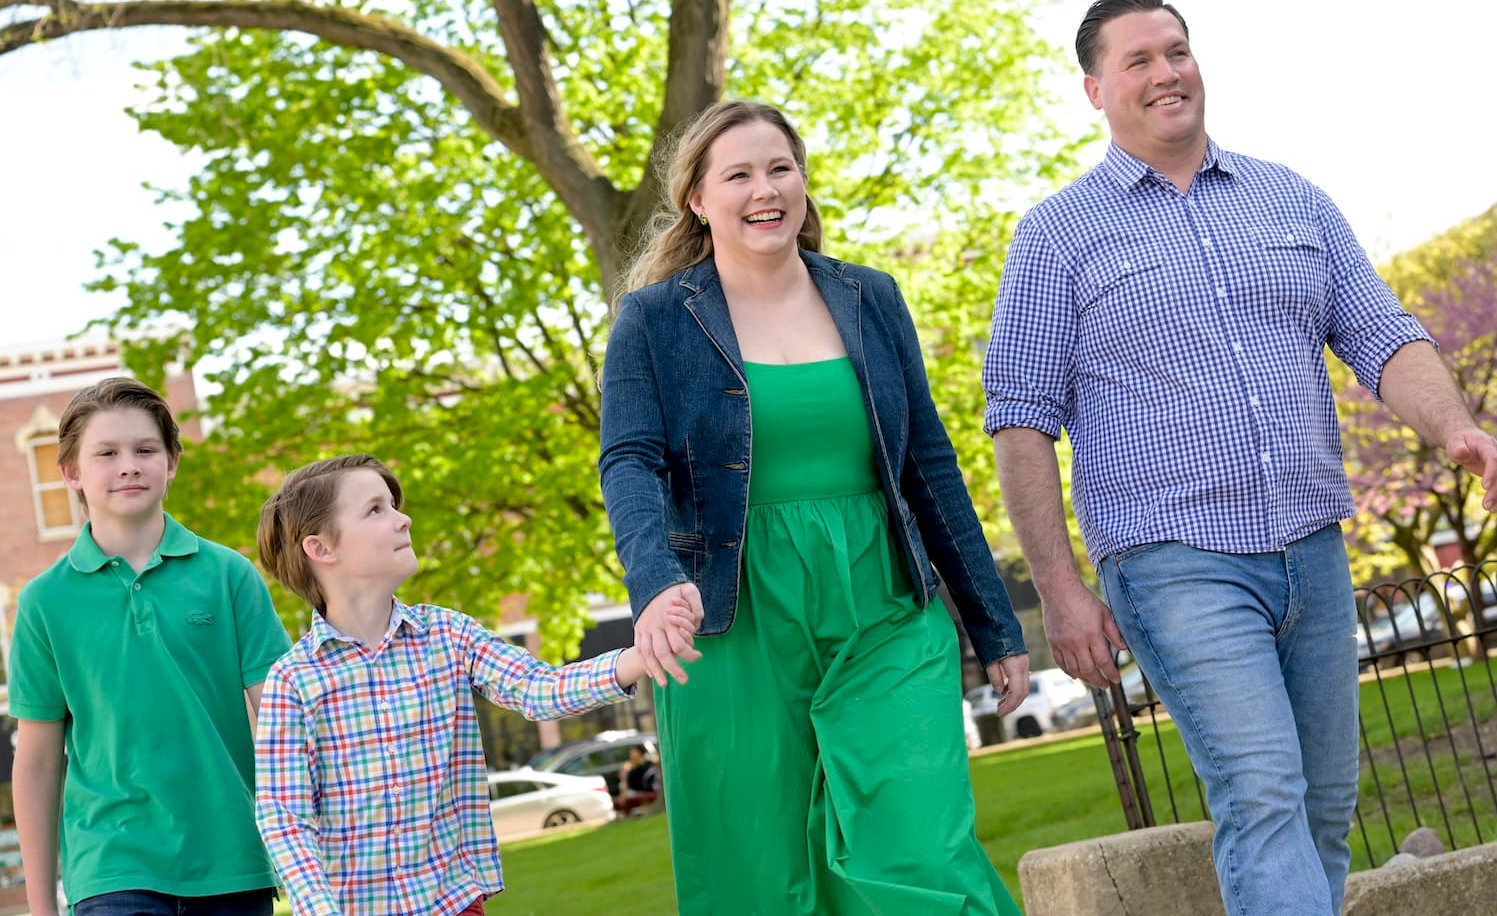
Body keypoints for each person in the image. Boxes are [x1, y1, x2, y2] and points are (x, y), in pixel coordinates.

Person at [983, 0, 1497, 916]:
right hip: (1173, 560)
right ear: (1094, 90)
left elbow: (1383, 334)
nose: (1166, 74)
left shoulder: (1290, 197)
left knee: (1323, 808)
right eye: (1138, 61)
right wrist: (1063, 591)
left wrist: (1454, 425)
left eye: (1177, 52)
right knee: (1262, 795)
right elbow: (1021, 420)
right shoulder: (1056, 236)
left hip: (1311, 547)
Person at [600, 99, 1029, 915]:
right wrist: (654, 582)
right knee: (759, 869)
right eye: (738, 175)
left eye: (779, 168)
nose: (765, 190)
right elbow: (629, 459)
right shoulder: (656, 320)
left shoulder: (870, 297)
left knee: (921, 844)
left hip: (882, 594)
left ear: (801, 180)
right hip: (731, 606)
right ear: (697, 197)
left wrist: (992, 622)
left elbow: (928, 464)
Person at [252, 453, 698, 916]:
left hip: (454, 901)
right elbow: (285, 819)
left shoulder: (449, 635)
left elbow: (537, 689)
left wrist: (637, 657)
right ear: (321, 549)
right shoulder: (294, 681)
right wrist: (320, 910)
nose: (403, 519)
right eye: (375, 509)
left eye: (394, 505)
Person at [8, 377, 292, 916]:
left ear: (172, 462)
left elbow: (282, 717)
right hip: (111, 864)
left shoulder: (228, 575)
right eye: (107, 453)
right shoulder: (45, 601)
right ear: (70, 472)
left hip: (231, 859)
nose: (129, 465)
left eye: (145, 450)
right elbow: (40, 760)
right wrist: (42, 904)